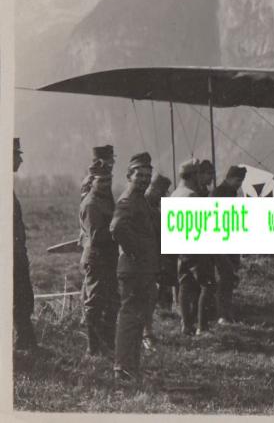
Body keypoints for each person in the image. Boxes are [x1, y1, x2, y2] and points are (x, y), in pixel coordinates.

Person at [110, 152, 159, 382]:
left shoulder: (140, 197)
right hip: (133, 268)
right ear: (129, 175)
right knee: (130, 317)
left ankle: (131, 366)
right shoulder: (129, 198)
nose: (144, 179)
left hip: (140, 268)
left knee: (138, 317)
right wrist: (137, 251)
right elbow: (117, 227)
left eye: (148, 175)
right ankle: (122, 367)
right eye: (139, 175)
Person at [79, 159, 119, 356]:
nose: (106, 184)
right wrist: (119, 231)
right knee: (95, 304)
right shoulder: (92, 204)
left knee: (112, 302)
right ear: (92, 181)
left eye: (108, 180)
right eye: (101, 181)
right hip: (97, 258)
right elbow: (97, 236)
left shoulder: (104, 199)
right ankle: (93, 348)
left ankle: (107, 344)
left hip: (107, 258)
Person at [173, 159, 215, 335]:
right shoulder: (191, 196)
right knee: (208, 284)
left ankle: (186, 324)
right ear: (193, 175)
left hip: (181, 248)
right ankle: (202, 327)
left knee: (185, 284)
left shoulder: (175, 194)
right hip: (195, 247)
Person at [210, 166, 247, 324]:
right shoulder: (219, 193)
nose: (240, 184)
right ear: (230, 178)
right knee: (225, 279)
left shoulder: (229, 192)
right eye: (238, 180)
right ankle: (222, 314)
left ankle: (226, 311)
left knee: (229, 279)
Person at [13, 137, 37, 351]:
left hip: (17, 255)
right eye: (16, 154)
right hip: (12, 256)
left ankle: (25, 341)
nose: (20, 159)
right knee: (19, 298)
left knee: (23, 298)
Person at [143, 173, 172, 350]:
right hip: (144, 260)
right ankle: (145, 334)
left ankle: (147, 331)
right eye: (162, 192)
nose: (164, 196)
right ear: (153, 189)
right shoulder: (144, 207)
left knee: (150, 297)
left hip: (153, 260)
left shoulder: (153, 207)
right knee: (145, 298)